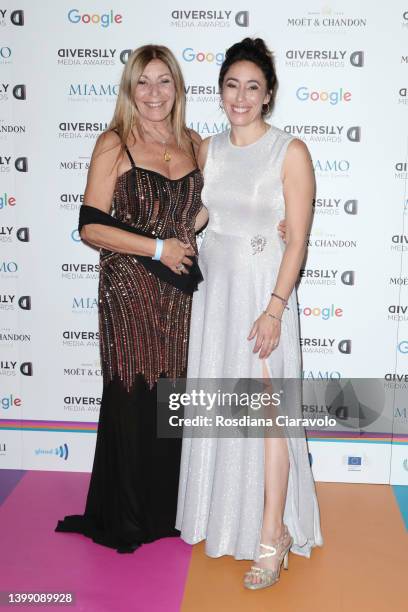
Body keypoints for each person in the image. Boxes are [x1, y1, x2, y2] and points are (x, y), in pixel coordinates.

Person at [176, 38, 323, 589]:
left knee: (270, 421)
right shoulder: (207, 149)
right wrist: (181, 229)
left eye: (252, 87)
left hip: (265, 298)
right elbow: (204, 210)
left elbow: (298, 241)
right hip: (216, 298)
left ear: (268, 96)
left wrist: (275, 310)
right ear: (220, 92)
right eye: (232, 85)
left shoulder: (290, 151)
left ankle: (271, 537)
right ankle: (227, 521)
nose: (240, 96)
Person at [55, 44, 206, 553]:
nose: (154, 92)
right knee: (131, 391)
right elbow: (90, 226)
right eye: (144, 82)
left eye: (164, 81)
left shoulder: (194, 144)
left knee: (172, 396)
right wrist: (158, 248)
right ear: (129, 89)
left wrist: (267, 225)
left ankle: (168, 512)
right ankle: (126, 517)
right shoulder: (113, 144)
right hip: (127, 288)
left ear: (177, 88)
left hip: (178, 295)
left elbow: (207, 211)